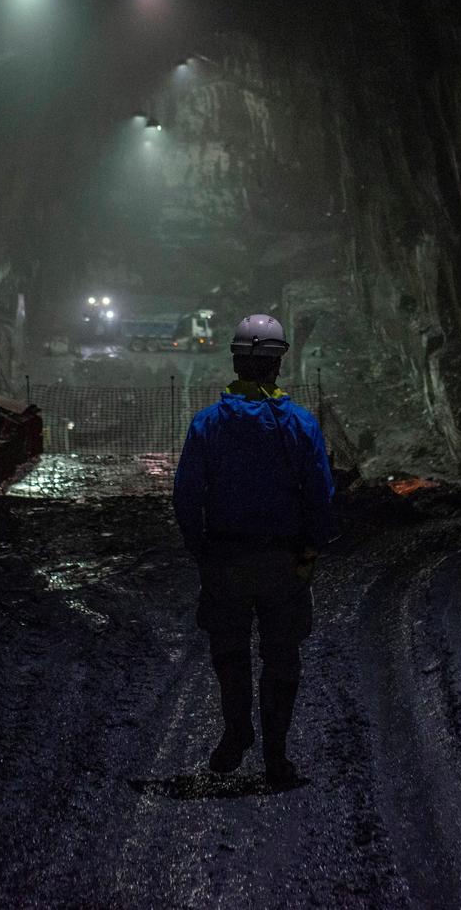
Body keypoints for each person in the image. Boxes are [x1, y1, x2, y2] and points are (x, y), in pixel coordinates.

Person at [172, 314, 335, 787]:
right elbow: (319, 494)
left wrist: (199, 548)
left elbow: (186, 494)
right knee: (281, 655)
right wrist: (313, 547)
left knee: (230, 649)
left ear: (236, 361)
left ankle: (236, 731)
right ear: (279, 363)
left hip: (225, 558)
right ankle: (277, 756)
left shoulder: (208, 424)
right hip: (284, 560)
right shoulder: (300, 424)